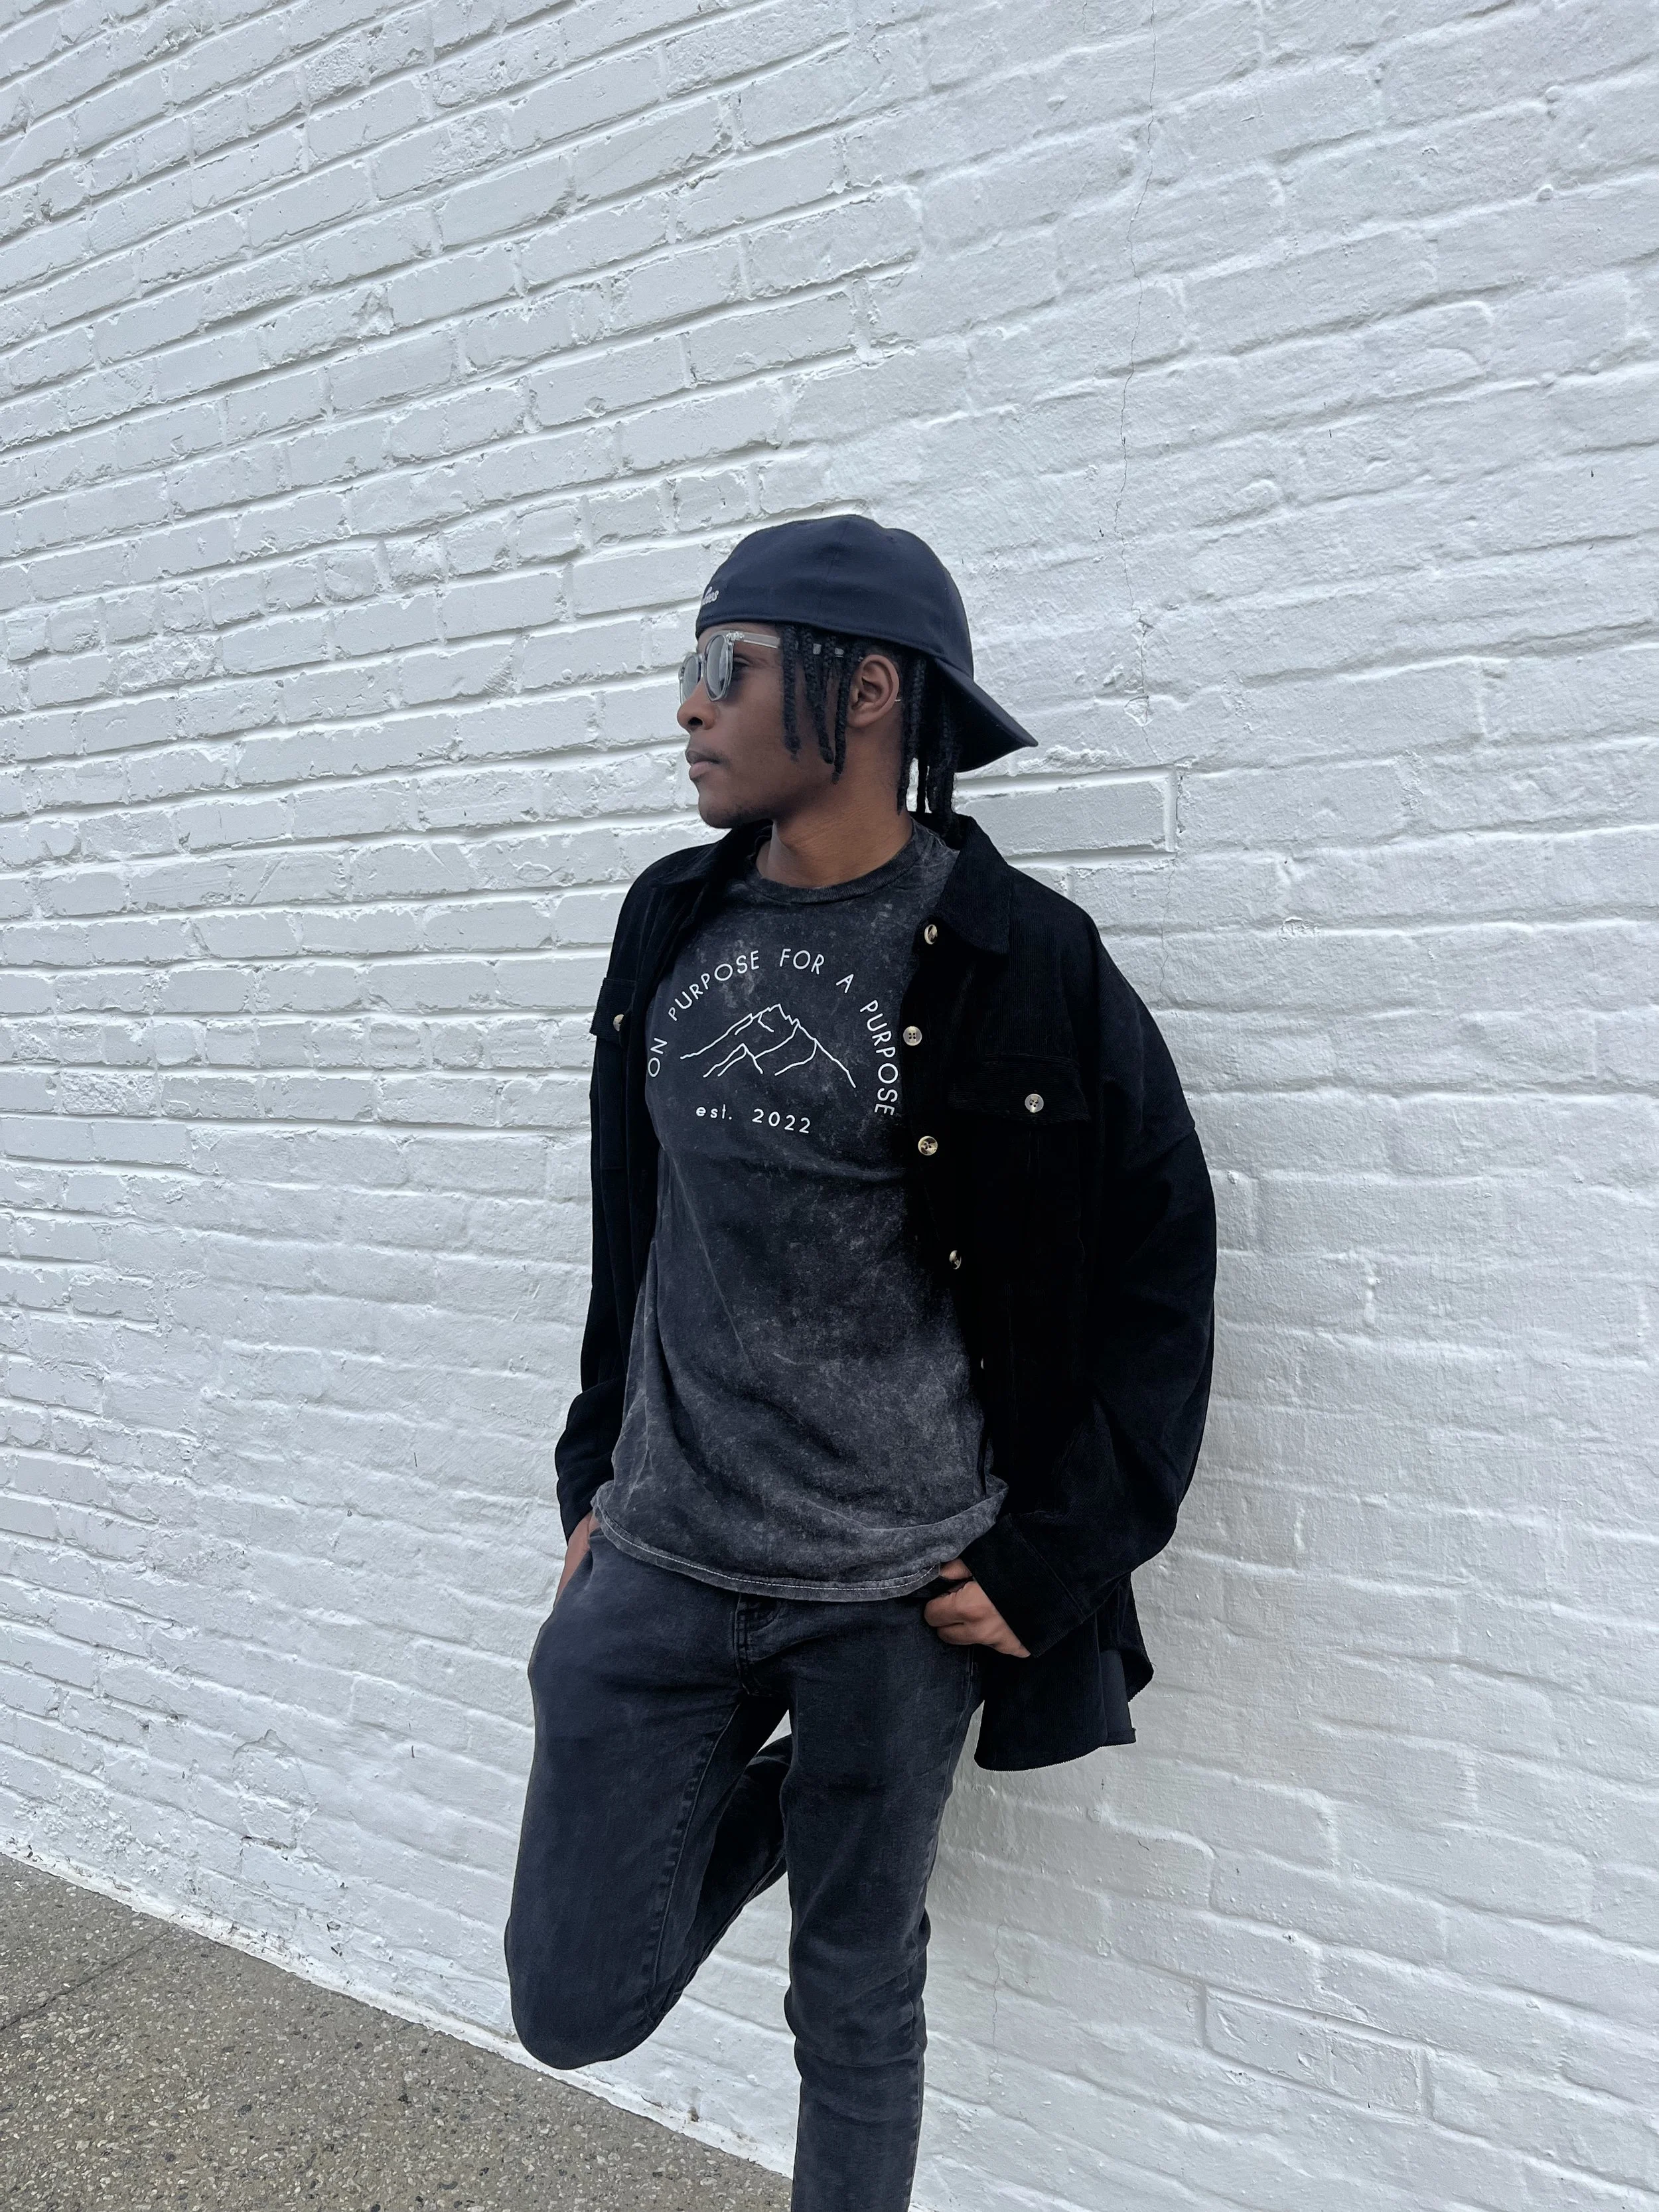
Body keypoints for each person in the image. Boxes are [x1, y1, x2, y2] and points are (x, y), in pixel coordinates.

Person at [504, 515, 1216, 2211]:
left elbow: (1156, 1275)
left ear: (870, 691)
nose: (685, 710)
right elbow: (640, 1226)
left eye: (716, 668)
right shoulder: (668, 919)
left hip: (897, 1595)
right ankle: (770, 1806)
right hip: (663, 1554)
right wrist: (595, 1466)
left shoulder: (1015, 955)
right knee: (571, 2002)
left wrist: (1054, 1556)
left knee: (854, 2002)